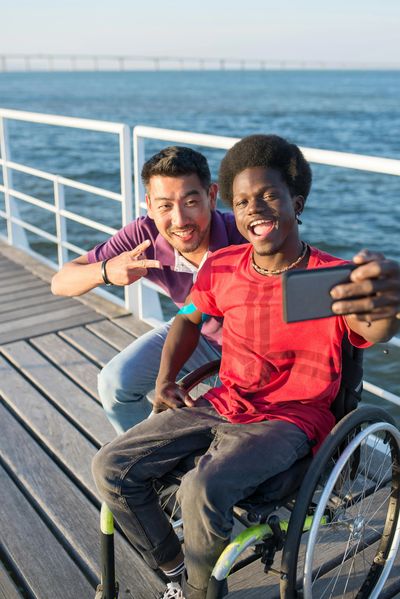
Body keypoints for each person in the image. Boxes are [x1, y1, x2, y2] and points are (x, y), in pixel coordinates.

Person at [92, 134, 400, 599]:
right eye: (242, 201)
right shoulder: (222, 265)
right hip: (224, 400)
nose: (254, 207)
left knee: (201, 489)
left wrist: (387, 308)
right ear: (230, 210)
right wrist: (165, 378)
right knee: (111, 465)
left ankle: (199, 592)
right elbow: (188, 320)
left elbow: (371, 327)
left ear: (297, 202)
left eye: (268, 195)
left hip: (289, 418)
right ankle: (178, 571)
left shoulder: (327, 279)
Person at [51, 146, 245, 434]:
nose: (179, 220)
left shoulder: (242, 233)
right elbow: (60, 282)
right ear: (150, 205)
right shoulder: (143, 235)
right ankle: (151, 461)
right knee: (114, 384)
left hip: (252, 346)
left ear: (212, 196)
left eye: (191, 201)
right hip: (196, 332)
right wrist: (106, 271)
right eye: (165, 205)